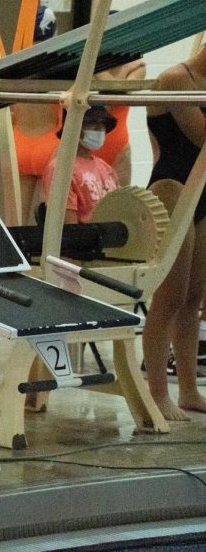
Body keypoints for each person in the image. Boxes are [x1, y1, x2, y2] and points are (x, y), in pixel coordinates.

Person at [142, 45, 206, 421]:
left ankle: (188, 390)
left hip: (202, 191)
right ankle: (155, 393)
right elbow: (201, 135)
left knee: (194, 296)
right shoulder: (175, 79)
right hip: (172, 188)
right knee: (170, 296)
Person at [11, 5, 60, 224]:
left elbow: (9, 111)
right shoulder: (60, 65)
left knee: (14, 224)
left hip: (19, 142)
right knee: (46, 224)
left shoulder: (16, 65)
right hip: (50, 145)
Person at [39, 105, 120, 225]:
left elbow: (122, 209)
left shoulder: (106, 168)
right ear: (74, 125)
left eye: (103, 123)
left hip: (112, 238)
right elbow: (69, 229)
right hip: (87, 240)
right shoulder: (61, 170)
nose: (99, 128)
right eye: (92, 122)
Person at [93, 56, 147, 186]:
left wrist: (95, 70)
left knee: (120, 203)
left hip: (117, 148)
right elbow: (117, 88)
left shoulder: (138, 66)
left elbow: (117, 92)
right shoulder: (132, 67)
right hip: (84, 145)